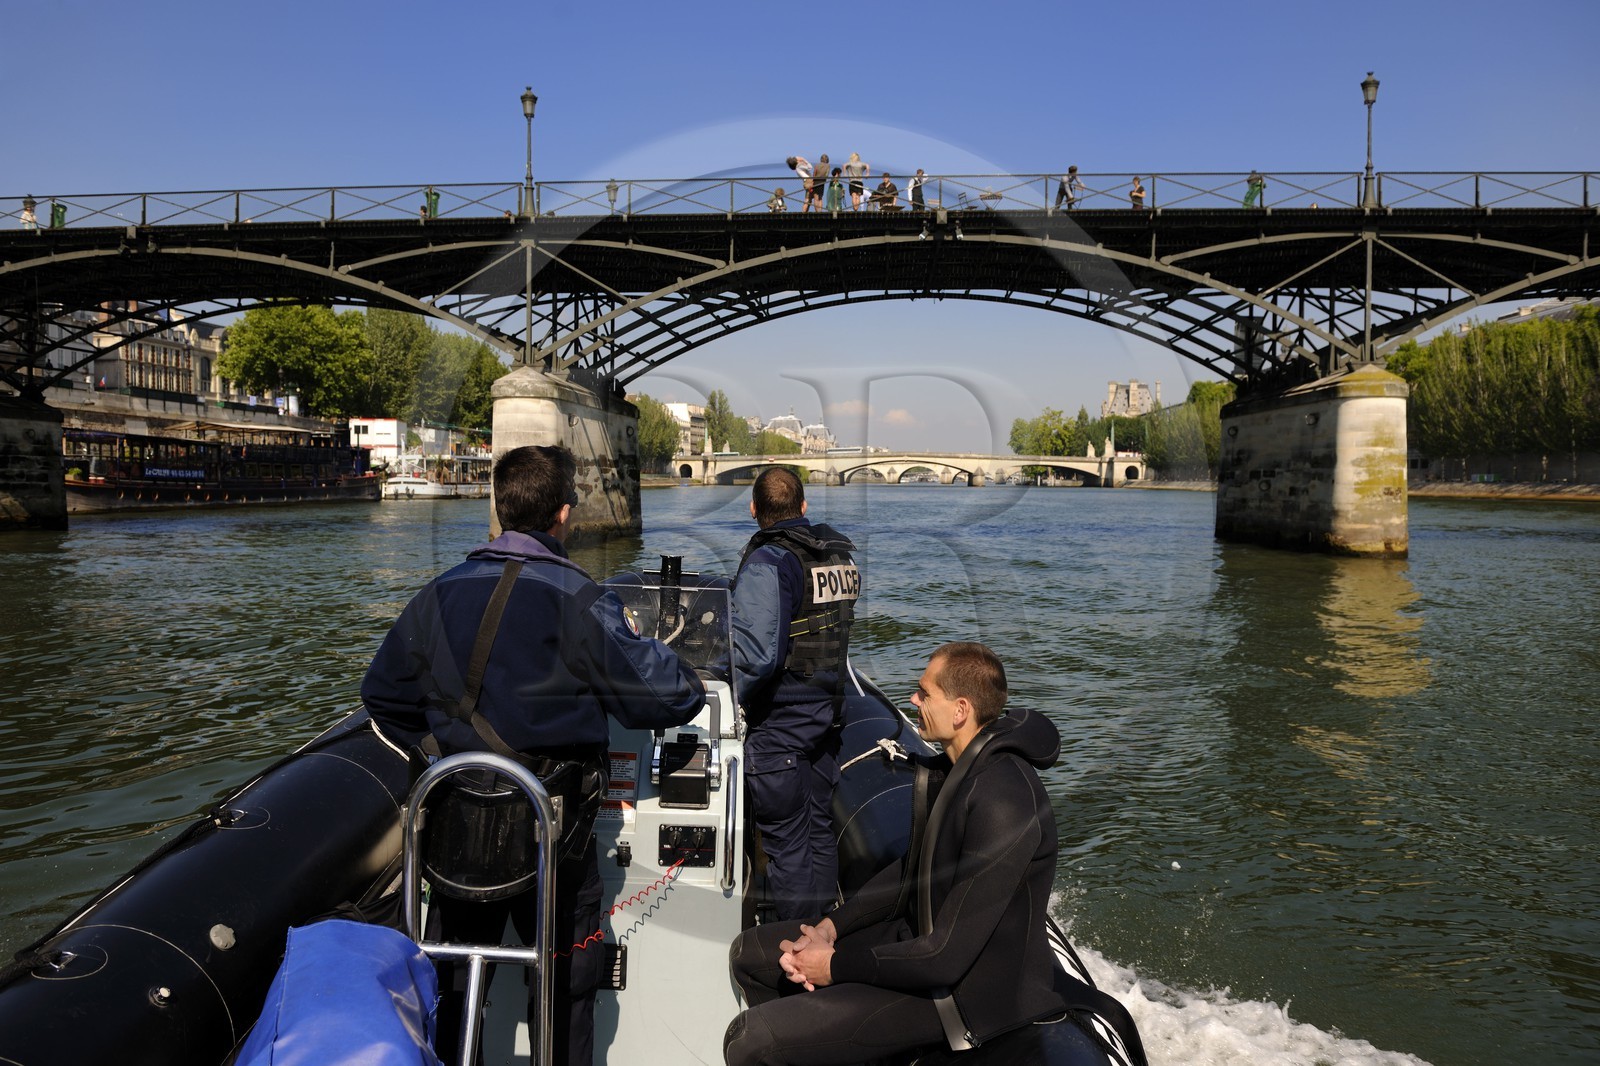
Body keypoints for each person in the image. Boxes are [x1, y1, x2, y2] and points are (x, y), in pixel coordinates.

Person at [362, 444, 706, 1066]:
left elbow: (382, 694)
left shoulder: (437, 592)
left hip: (454, 830)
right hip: (553, 833)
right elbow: (658, 696)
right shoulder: (577, 597)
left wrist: (442, 751)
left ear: (498, 508)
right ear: (564, 515)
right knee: (569, 975)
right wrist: (685, 677)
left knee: (452, 975)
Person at [724, 642, 1066, 1066]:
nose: (913, 700)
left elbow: (946, 956)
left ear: (960, 710)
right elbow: (910, 871)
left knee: (751, 1039)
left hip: (971, 998)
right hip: (921, 945)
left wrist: (835, 965)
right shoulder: (959, 771)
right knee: (751, 954)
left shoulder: (1004, 802)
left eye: (924, 693)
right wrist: (832, 926)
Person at [730, 468, 859, 922]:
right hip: (828, 715)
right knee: (819, 830)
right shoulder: (837, 557)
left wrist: (727, 702)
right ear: (803, 507)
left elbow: (757, 657)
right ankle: (826, 933)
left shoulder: (770, 562)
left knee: (787, 844)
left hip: (781, 722)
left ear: (754, 510)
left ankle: (794, 948)